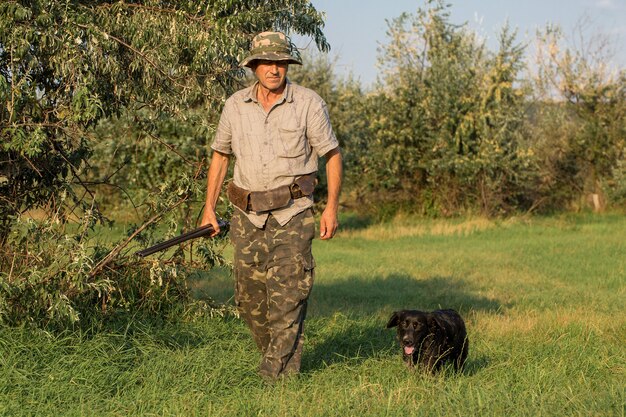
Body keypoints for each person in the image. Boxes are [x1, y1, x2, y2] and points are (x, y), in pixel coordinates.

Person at [200, 31, 342, 380]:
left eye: (280, 62)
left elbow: (332, 156)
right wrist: (208, 208)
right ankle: (282, 361)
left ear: (287, 65)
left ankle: (274, 375)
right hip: (246, 216)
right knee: (249, 302)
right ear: (253, 66)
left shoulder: (308, 103)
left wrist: (331, 207)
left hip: (292, 216)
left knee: (288, 297)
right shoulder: (235, 105)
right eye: (266, 62)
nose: (274, 69)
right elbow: (220, 156)